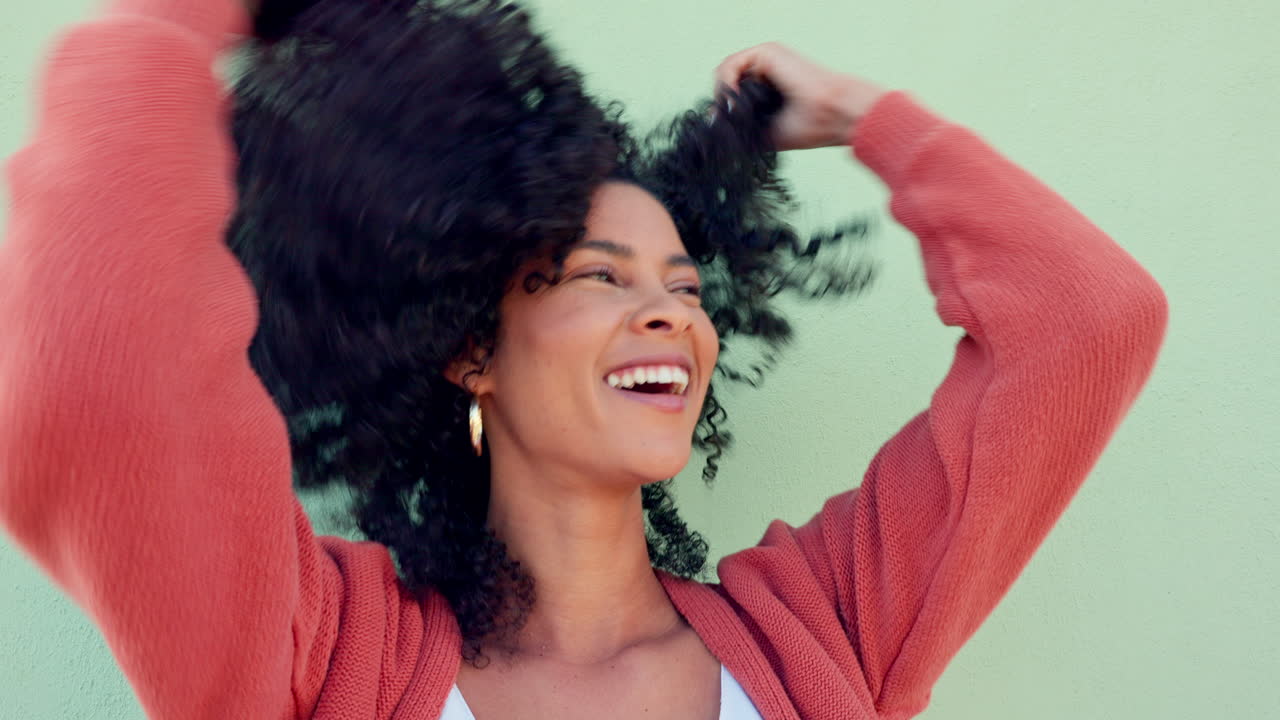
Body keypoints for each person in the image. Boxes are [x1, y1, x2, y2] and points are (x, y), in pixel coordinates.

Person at [0, 0, 1169, 717]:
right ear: (471, 349)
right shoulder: (317, 652)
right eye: (603, 276)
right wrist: (175, 19)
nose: (670, 316)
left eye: (684, 288)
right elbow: (91, 374)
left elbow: (1088, 321)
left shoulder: (825, 631)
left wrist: (872, 119)